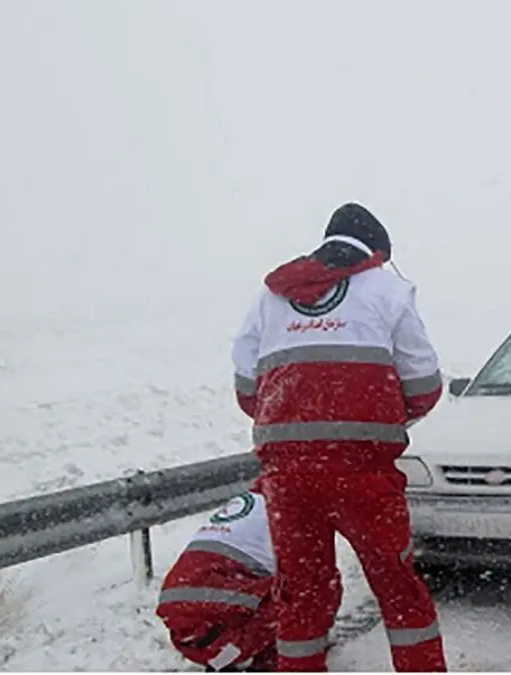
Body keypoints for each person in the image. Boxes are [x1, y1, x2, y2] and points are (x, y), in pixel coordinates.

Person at [231, 202, 447, 671]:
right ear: (375, 251)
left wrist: (296, 426)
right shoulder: (388, 290)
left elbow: (248, 388)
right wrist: (381, 418)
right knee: (398, 588)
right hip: (363, 473)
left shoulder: (270, 298)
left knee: (302, 592)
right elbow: (425, 385)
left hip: (286, 478)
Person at [156, 487, 278, 672]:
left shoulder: (257, 498)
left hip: (180, 617)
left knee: (276, 597)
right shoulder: (289, 512)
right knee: (299, 597)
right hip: (211, 623)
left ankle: (222, 659)